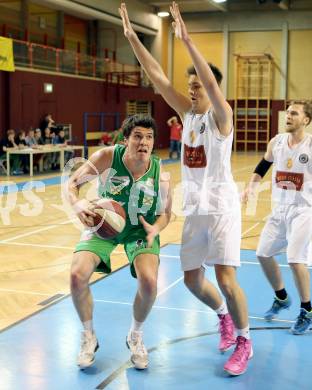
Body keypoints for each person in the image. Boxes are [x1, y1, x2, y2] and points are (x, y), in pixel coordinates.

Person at [120, 1, 252, 376]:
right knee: (193, 279)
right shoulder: (188, 115)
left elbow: (210, 83)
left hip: (222, 207)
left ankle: (245, 341)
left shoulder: (221, 117)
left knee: (226, 278)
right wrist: (132, 38)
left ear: (212, 88)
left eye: (198, 86)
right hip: (195, 208)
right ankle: (224, 318)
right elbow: (157, 75)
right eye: (190, 86)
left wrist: (188, 40)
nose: (192, 91)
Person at [67, 114, 172, 370]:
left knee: (149, 281)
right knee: (77, 275)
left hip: (140, 230)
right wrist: (79, 203)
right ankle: (88, 336)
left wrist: (155, 228)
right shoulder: (106, 157)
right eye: (137, 136)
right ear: (126, 140)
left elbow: (166, 213)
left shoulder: (161, 174)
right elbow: (72, 184)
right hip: (105, 224)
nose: (143, 142)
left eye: (149, 137)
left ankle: (135, 335)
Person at [242, 100, 312, 334]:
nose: (288, 116)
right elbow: (264, 164)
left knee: (294, 258)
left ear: (306, 120)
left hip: (304, 210)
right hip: (279, 209)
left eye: (294, 113)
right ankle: (282, 297)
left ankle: (307, 310)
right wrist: (251, 186)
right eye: (288, 112)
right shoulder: (277, 141)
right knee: (262, 253)